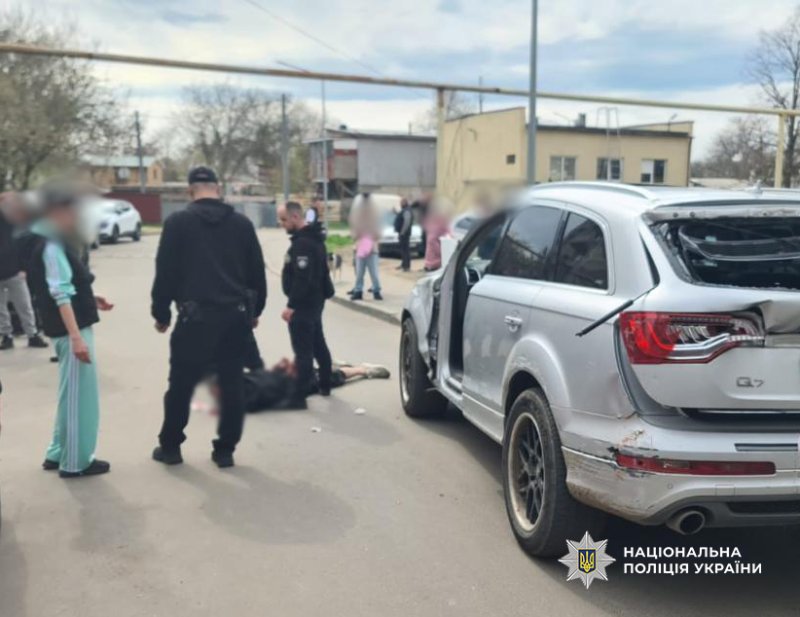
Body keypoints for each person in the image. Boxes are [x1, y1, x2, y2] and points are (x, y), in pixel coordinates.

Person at [151, 166, 267, 469]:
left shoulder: (177, 223)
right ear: (218, 188)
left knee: (181, 385)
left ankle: (171, 447)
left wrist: (161, 313)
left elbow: (165, 271)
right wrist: (255, 312)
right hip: (234, 319)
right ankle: (225, 451)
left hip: (194, 320)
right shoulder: (242, 224)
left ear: (190, 190)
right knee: (231, 385)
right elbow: (257, 272)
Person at [25, 183, 113, 478]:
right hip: (70, 330)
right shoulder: (51, 244)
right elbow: (59, 292)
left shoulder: (47, 239)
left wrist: (91, 297)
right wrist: (76, 338)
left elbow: (64, 285)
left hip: (70, 325)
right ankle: (75, 461)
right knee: (79, 400)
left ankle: (57, 452)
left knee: (70, 395)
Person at [278, 201, 334, 408]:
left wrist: (291, 305)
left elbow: (303, 278)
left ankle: (299, 395)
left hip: (304, 303)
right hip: (315, 301)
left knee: (303, 351)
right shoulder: (313, 238)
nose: (282, 224)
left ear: (295, 217)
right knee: (318, 343)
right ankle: (325, 383)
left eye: (284, 219)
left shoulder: (303, 244)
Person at [0, 192, 48, 350]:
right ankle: (6, 336)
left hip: (15, 272)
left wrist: (23, 268)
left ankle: (32, 335)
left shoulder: (16, 221)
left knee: (24, 305)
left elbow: (23, 247)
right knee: (1, 309)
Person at [348, 193, 383, 301]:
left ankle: (376, 290)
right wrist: (357, 234)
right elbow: (353, 231)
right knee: (359, 273)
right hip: (360, 249)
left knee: (374, 273)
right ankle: (358, 291)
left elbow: (378, 233)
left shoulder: (375, 214)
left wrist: (371, 235)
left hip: (372, 250)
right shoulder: (357, 215)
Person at [393, 197, 413, 272]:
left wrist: (402, 232)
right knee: (403, 250)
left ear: (404, 203)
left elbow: (406, 222)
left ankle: (406, 267)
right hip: (403, 233)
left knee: (405, 250)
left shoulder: (407, 210)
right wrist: (395, 212)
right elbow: (401, 217)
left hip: (404, 234)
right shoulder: (405, 210)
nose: (400, 204)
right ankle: (403, 264)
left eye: (401, 202)